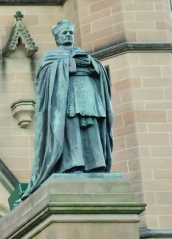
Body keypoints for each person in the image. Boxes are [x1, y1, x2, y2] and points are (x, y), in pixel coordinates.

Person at [25, 20, 113, 198]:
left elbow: (101, 72)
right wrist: (69, 65)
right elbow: (44, 78)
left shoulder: (82, 53)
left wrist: (92, 64)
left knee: (91, 131)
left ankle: (95, 164)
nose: (68, 36)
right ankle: (74, 165)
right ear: (57, 38)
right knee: (72, 131)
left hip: (88, 98)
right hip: (67, 100)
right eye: (64, 33)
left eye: (70, 33)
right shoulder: (50, 56)